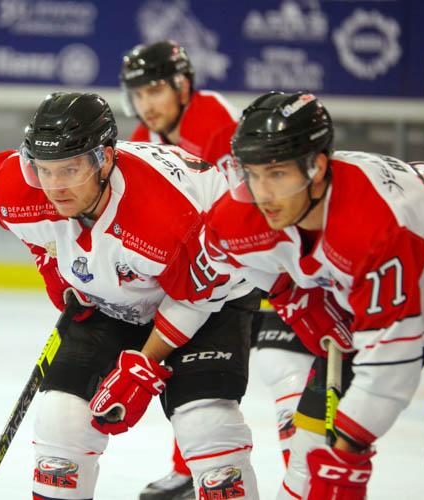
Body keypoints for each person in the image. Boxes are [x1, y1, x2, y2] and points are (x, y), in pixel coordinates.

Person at [203, 90, 424, 499]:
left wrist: (349, 452)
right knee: (307, 453)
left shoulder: (373, 225)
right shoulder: (242, 215)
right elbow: (226, 255)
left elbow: (391, 368)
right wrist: (294, 297)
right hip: (384, 280)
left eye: (277, 173)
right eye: (253, 173)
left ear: (316, 166)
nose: (262, 193)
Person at [0, 91, 263, 499]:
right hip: (112, 295)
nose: (55, 187)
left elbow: (195, 296)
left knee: (208, 429)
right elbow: (24, 222)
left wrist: (144, 364)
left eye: (70, 170)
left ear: (104, 159)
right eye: (44, 170)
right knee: (63, 420)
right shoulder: (17, 191)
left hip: (212, 294)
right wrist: (49, 260)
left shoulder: (166, 217)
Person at [120, 40, 315, 500]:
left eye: (155, 91)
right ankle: (189, 468)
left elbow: (244, 211)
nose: (146, 105)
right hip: (214, 271)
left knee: (285, 377)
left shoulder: (214, 122)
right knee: (189, 368)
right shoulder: (145, 138)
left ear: (183, 86)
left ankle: (309, 483)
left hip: (266, 265)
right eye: (138, 93)